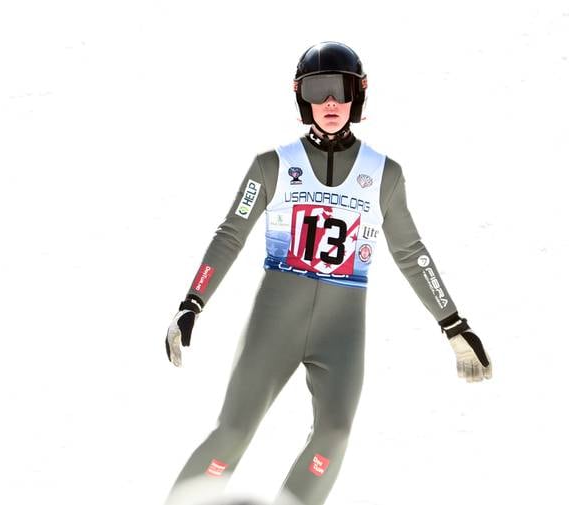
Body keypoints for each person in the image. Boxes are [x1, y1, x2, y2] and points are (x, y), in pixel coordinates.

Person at [162, 41, 492, 505]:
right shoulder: (272, 165)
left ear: (358, 95)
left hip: (342, 327)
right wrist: (192, 303)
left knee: (333, 437)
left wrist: (454, 326)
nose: (331, 102)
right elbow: (230, 233)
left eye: (341, 89)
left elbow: (411, 252)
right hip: (276, 318)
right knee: (233, 432)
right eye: (318, 91)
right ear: (302, 99)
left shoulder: (385, 174)